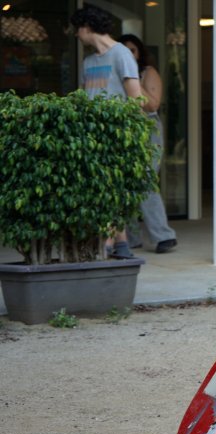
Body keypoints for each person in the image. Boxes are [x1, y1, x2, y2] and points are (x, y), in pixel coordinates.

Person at [71, 5, 141, 260]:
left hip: (116, 136)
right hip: (89, 137)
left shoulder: (121, 54)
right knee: (102, 191)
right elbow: (82, 98)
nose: (76, 36)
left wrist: (129, 136)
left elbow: (135, 99)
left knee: (110, 190)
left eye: (77, 30)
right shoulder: (88, 61)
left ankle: (107, 244)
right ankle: (121, 244)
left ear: (87, 28)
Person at [118, 34, 178, 254]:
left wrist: (132, 77)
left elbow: (152, 105)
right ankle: (131, 238)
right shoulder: (114, 72)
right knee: (124, 185)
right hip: (122, 130)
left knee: (145, 181)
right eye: (123, 50)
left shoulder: (148, 72)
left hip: (147, 129)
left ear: (139, 52)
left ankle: (164, 236)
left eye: (132, 50)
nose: (128, 54)